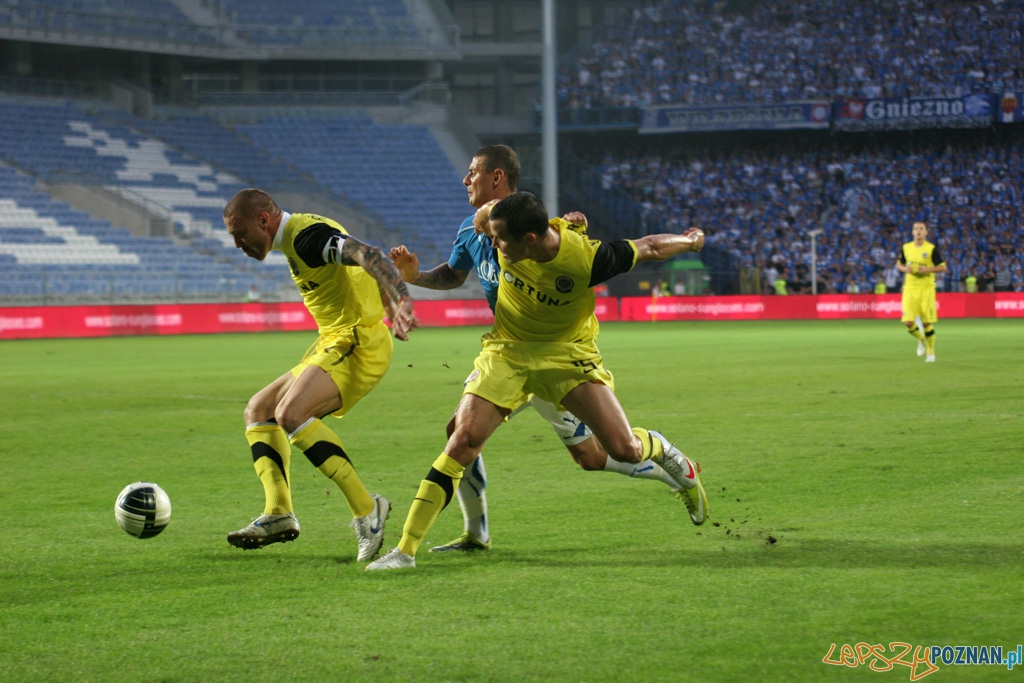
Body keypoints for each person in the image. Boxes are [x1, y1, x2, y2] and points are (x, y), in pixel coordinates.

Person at [367, 191, 709, 571]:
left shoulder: (586, 258)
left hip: (566, 356)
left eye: (499, 238)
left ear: (529, 238)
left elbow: (650, 248)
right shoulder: (494, 221)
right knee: (462, 438)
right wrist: (415, 275)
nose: (492, 243)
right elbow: (482, 222)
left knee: (622, 449)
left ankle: (663, 450)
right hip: (507, 352)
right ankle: (405, 551)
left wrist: (691, 241)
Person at [221, 188, 419, 560]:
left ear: (264, 221)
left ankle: (367, 510)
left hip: (358, 342)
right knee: (259, 411)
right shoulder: (297, 239)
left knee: (291, 414)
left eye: (239, 234)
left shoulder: (308, 237)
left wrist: (401, 297)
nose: (237, 244)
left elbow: (368, 254)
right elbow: (359, 266)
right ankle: (279, 513)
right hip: (334, 340)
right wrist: (389, 300)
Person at [896, 221, 947, 363]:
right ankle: (922, 339)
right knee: (908, 322)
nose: (918, 231)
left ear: (926, 233)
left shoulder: (931, 249)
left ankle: (931, 352)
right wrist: (904, 269)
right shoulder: (906, 247)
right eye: (916, 229)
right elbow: (899, 263)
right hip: (910, 289)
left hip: (926, 289)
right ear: (912, 232)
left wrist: (928, 270)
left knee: (926, 323)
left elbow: (943, 267)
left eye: (921, 229)